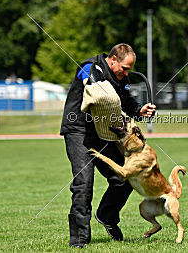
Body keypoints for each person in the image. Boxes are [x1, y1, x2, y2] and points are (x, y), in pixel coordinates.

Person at [60, 43, 156, 248]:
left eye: (129, 69)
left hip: (103, 133)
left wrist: (140, 110)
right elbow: (91, 83)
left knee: (123, 178)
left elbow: (128, 103)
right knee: (83, 184)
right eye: (125, 68)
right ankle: (79, 241)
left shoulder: (122, 78)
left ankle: (107, 216)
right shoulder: (90, 67)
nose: (127, 72)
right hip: (79, 131)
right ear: (112, 59)